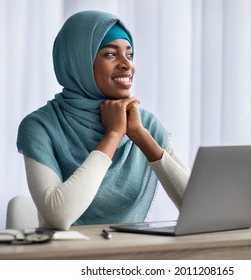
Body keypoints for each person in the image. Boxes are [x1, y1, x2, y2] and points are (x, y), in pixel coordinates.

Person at [17, 10, 190, 230]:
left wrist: (141, 137)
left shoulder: (142, 122)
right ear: (79, 60)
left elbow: (198, 208)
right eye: (111, 54)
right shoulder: (40, 126)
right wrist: (113, 134)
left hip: (134, 254)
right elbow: (58, 215)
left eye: (130, 54)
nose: (127, 65)